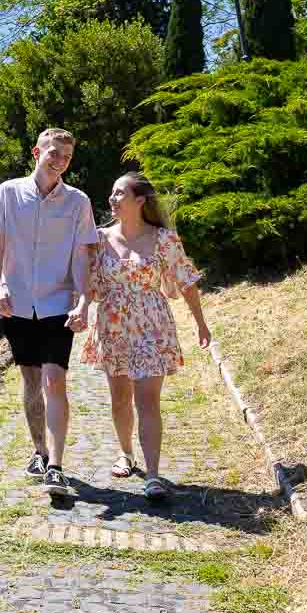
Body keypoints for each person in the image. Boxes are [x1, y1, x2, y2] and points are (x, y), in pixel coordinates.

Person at [82, 173, 211, 501]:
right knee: (120, 398)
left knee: (147, 400)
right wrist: (80, 309)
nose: (112, 199)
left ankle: (153, 475)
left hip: (152, 326)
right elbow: (89, 283)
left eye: (119, 193)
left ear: (140, 200)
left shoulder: (164, 238)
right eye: (111, 193)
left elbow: (186, 280)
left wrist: (200, 323)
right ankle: (126, 453)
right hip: (112, 327)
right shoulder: (99, 238)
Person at [0, 128, 97, 497]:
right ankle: (39, 451)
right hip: (15, 303)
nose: (60, 160)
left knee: (54, 381)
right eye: (54, 153)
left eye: (66, 156)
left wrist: (83, 302)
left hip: (57, 305)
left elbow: (84, 256)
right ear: (36, 152)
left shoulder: (78, 202)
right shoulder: (8, 192)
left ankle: (57, 466)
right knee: (31, 382)